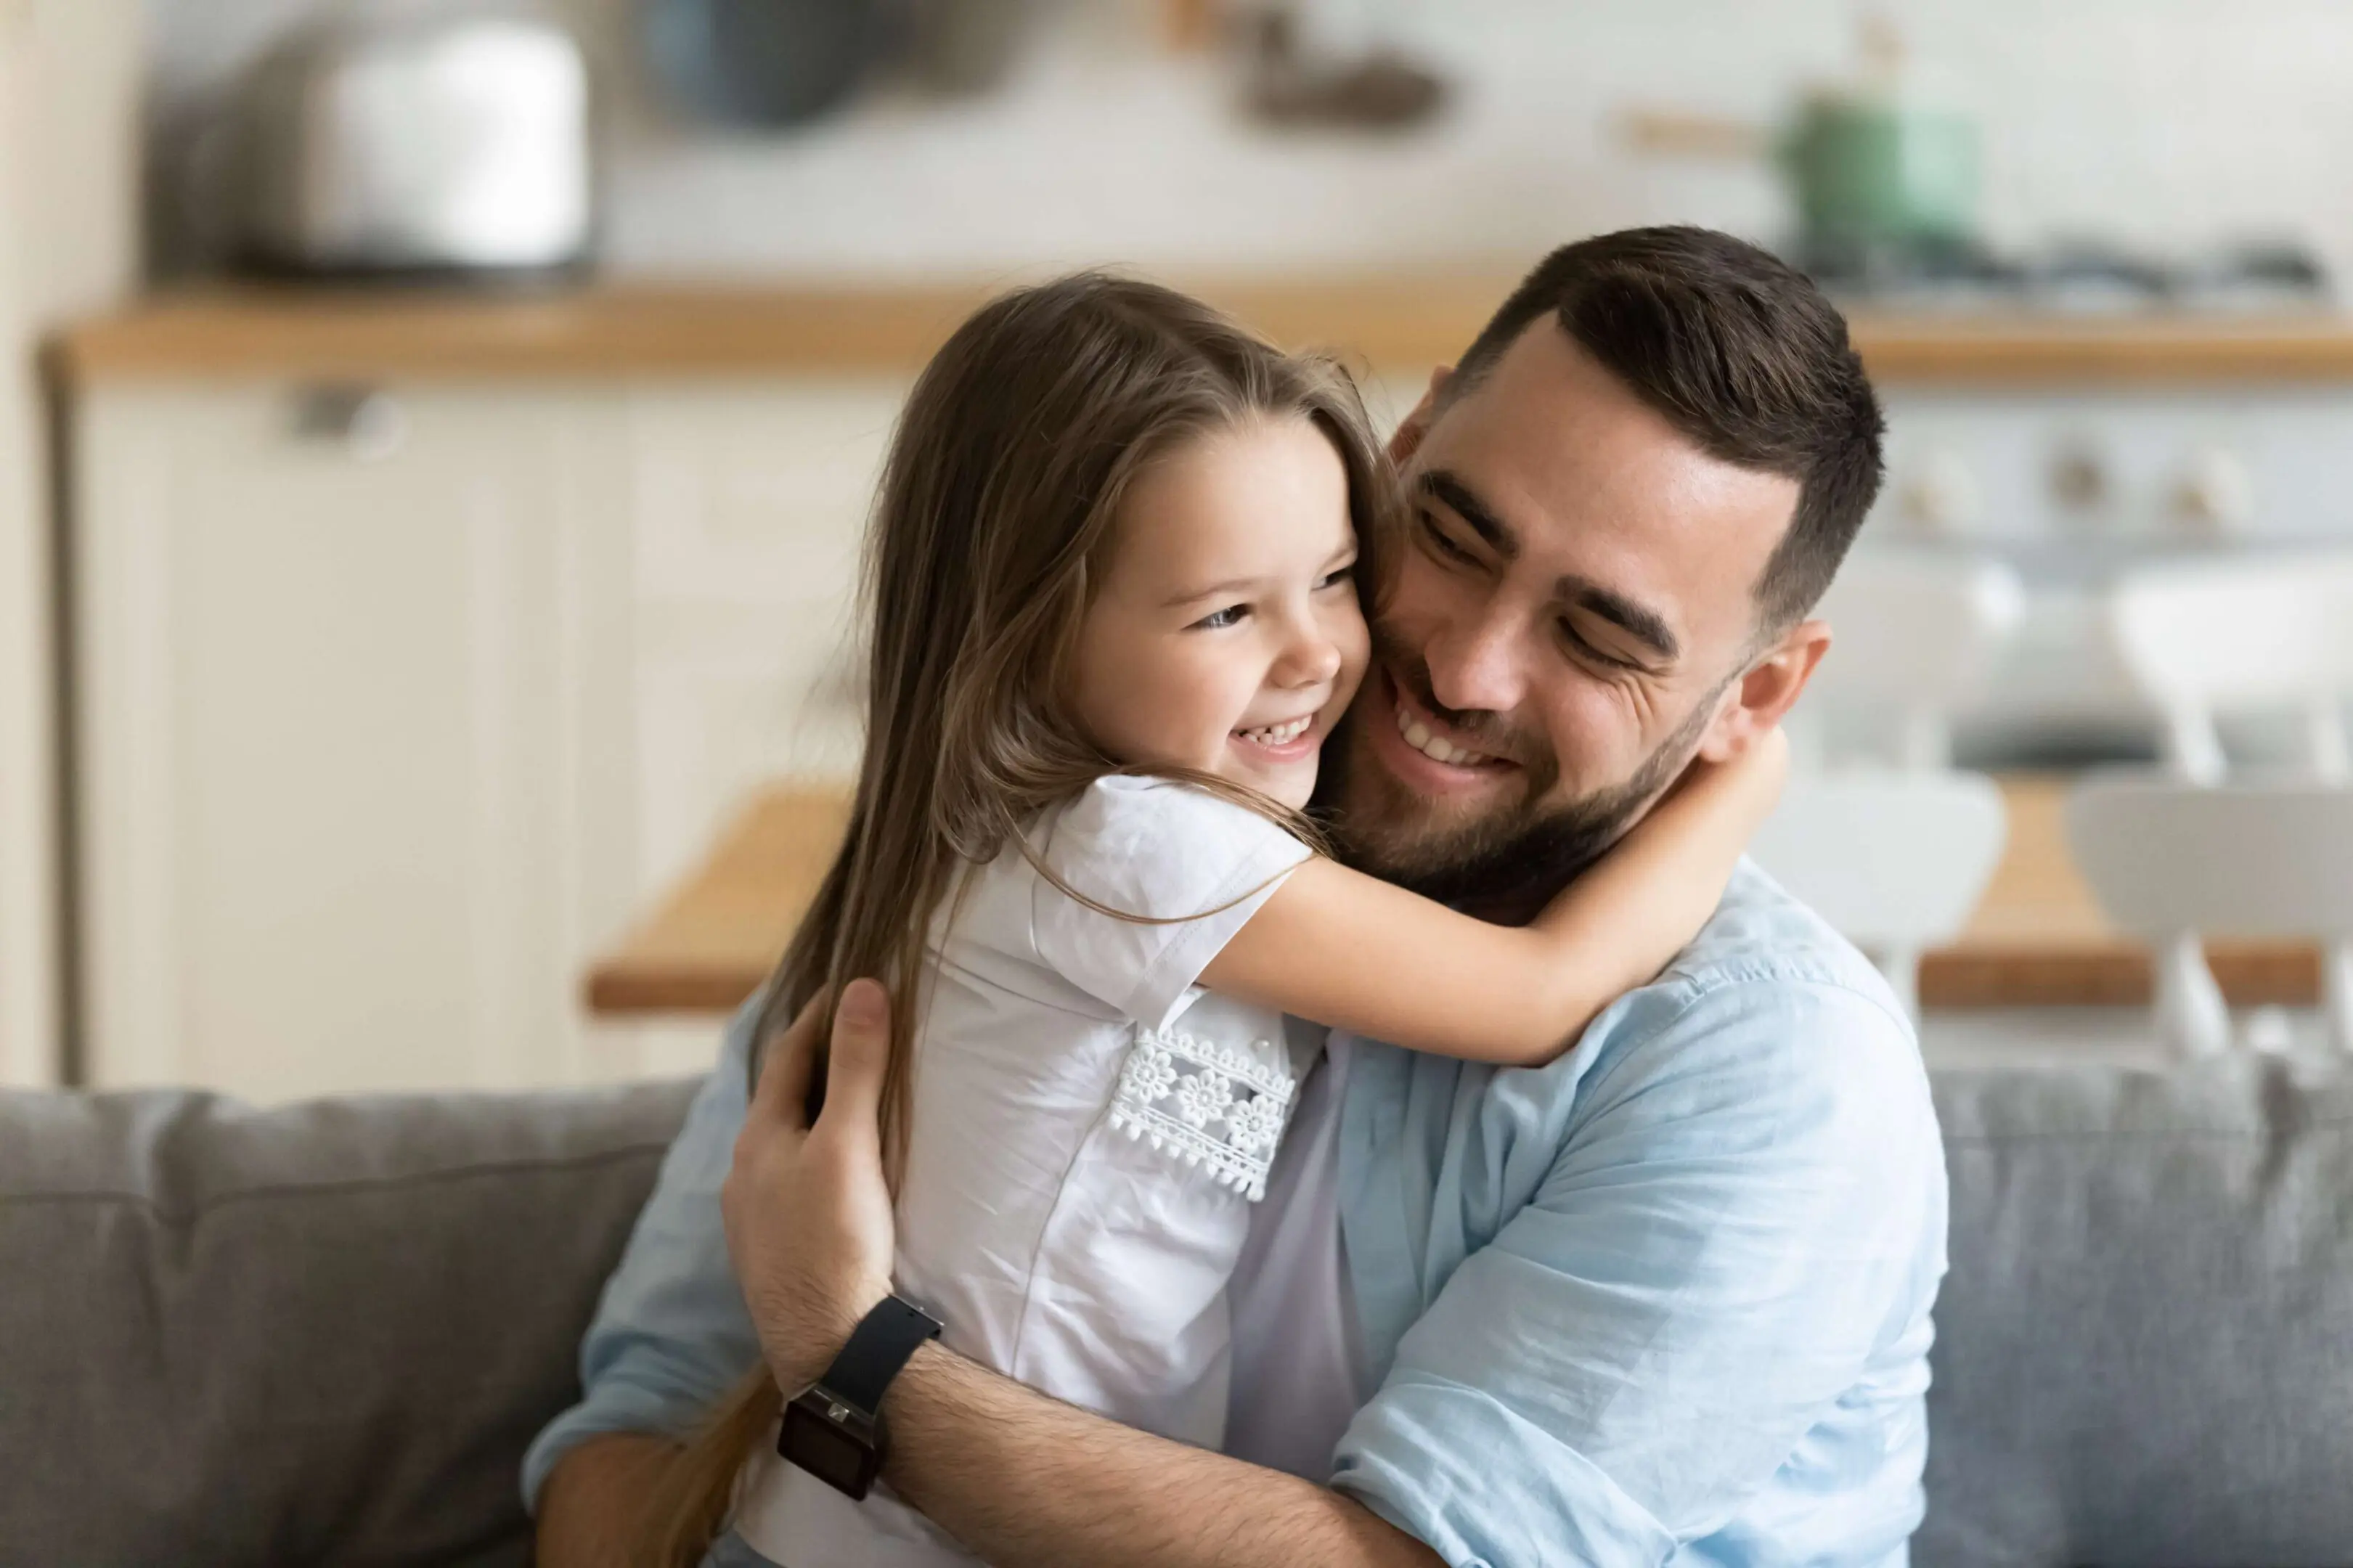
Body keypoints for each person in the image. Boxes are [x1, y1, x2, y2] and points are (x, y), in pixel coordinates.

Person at [529, 227, 1949, 1568]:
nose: (1464, 671)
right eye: (1450, 537)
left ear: (1755, 696)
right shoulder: (1039, 848)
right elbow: (634, 1448)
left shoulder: (1769, 1069)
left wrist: (844, 1349)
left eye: (1593, 634)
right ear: (1397, 450)